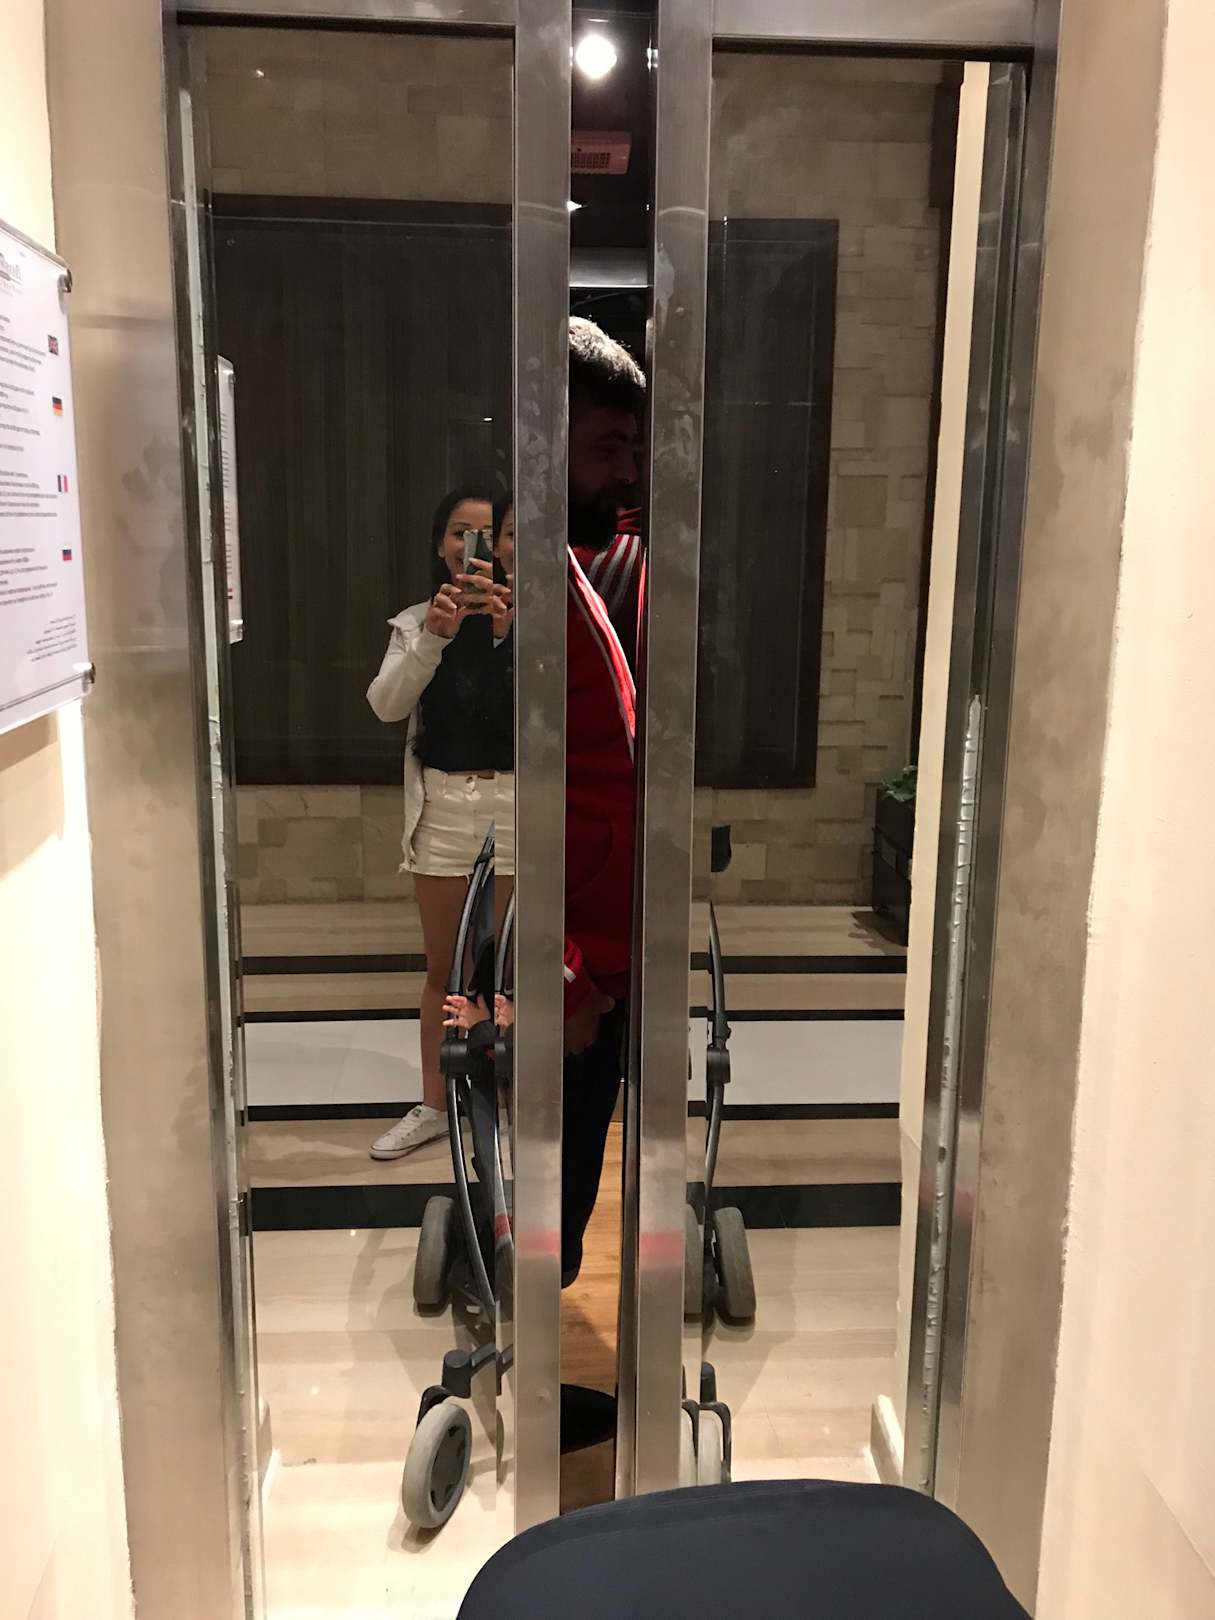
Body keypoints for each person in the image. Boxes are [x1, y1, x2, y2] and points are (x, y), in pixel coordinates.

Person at [365, 486, 514, 1160]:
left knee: (513, 967)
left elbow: (558, 713)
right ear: (440, 542)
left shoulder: (535, 618)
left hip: (520, 804)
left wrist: (512, 636)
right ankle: (434, 1104)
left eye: (488, 534)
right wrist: (432, 637)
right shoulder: (415, 622)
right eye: (459, 532)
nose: (471, 547)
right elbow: (386, 706)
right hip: (446, 806)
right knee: (444, 967)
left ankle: (511, 1098)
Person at [559, 317, 645, 1285]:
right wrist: (566, 975)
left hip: (606, 948)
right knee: (550, 1206)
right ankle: (527, 1350)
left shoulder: (571, 571)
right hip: (572, 963)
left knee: (569, 1189)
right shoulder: (522, 596)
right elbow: (506, 806)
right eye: (607, 449)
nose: (627, 474)